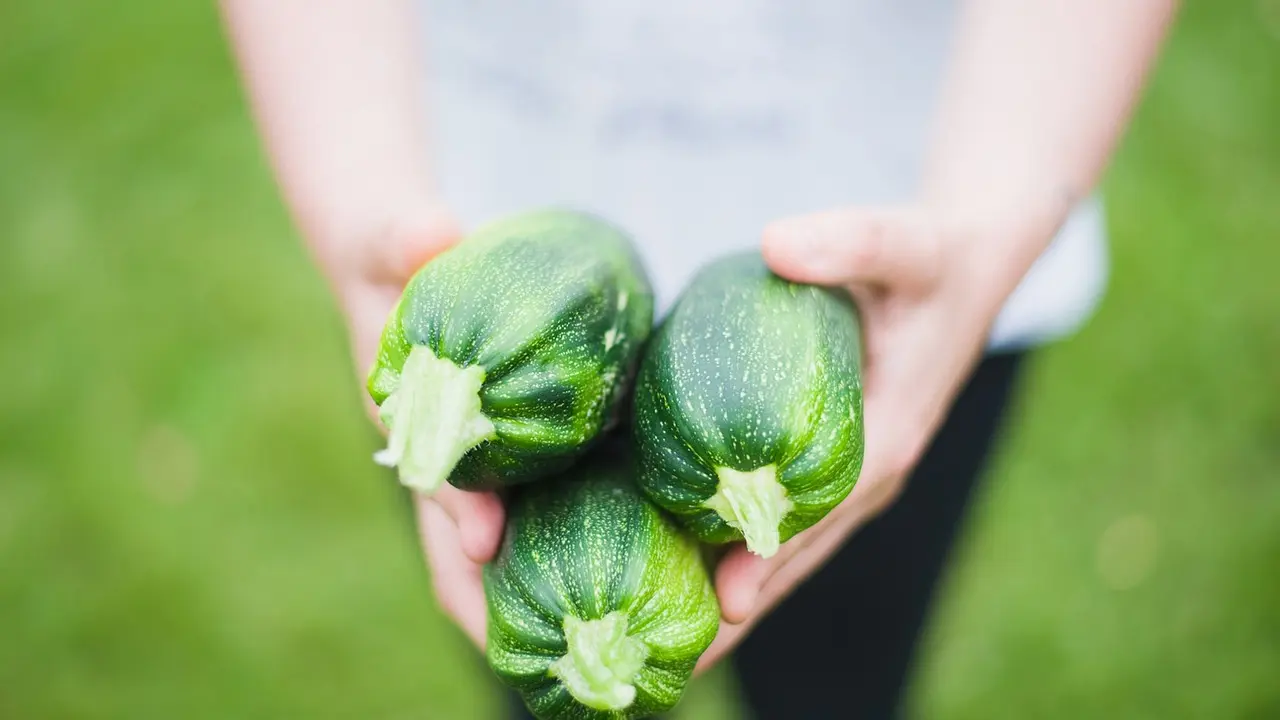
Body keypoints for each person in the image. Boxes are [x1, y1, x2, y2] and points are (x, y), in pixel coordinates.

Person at [219, 1, 1176, 716]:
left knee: (840, 686)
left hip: (915, 268)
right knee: (547, 674)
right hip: (475, 236)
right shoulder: (453, 348)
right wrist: (355, 199)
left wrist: (987, 230)